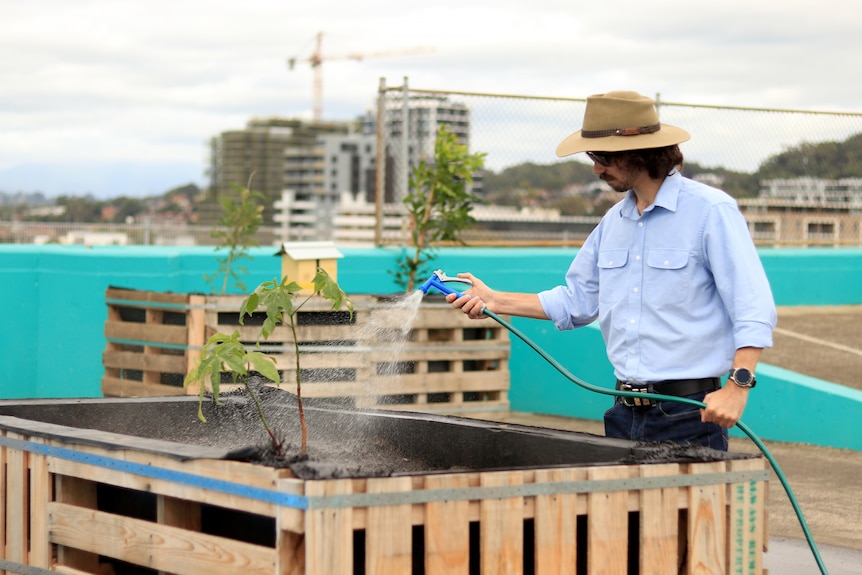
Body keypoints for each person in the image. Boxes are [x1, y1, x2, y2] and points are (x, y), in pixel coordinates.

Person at [448, 90, 777, 451]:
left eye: (604, 157)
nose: (596, 168)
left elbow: (752, 306)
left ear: (642, 152)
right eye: (593, 156)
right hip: (622, 412)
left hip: (690, 413)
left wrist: (737, 387)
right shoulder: (613, 221)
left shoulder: (711, 211)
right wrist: (495, 300)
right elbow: (577, 301)